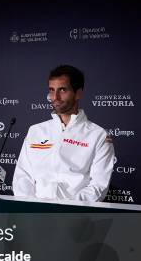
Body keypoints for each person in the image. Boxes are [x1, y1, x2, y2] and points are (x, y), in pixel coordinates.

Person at [13, 65, 115, 201]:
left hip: (74, 217)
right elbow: (22, 176)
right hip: (33, 215)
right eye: (51, 90)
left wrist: (68, 210)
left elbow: (98, 185)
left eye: (62, 90)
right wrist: (30, 208)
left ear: (78, 93)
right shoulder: (35, 130)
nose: (55, 97)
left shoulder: (98, 135)